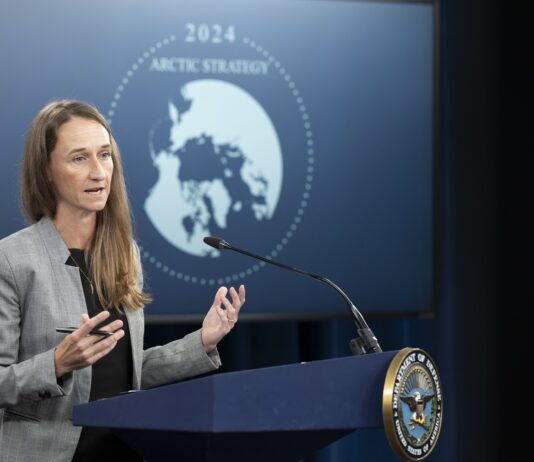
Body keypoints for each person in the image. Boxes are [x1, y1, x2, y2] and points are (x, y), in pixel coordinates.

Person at [0, 100, 245, 461]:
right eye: (79, 158)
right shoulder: (12, 258)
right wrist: (56, 364)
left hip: (121, 451)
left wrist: (202, 341)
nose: (98, 172)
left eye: (105, 155)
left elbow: (124, 372)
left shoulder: (123, 253)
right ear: (46, 170)